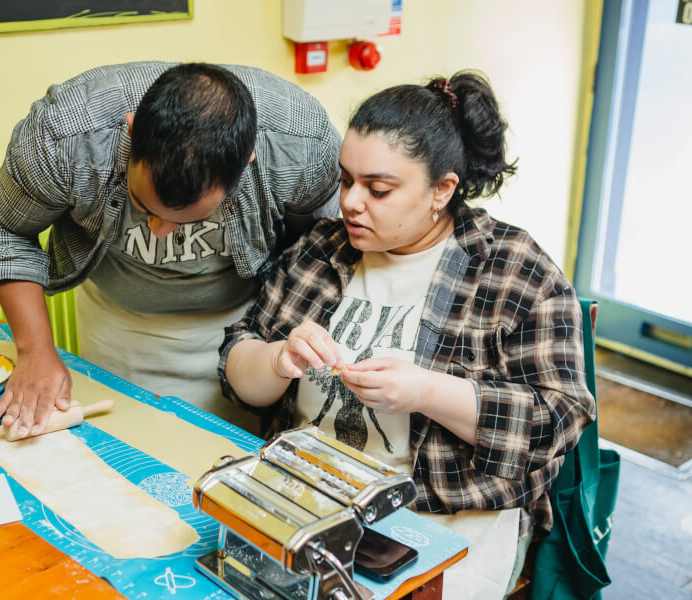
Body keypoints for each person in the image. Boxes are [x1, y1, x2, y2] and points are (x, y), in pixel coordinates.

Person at [219, 72, 596, 599]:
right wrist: (279, 358)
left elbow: (556, 423)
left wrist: (426, 392)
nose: (349, 203)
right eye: (345, 180)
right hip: (307, 495)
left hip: (441, 522)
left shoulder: (514, 271)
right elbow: (238, 366)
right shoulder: (324, 249)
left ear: (442, 189)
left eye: (378, 189)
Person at [0, 62, 341, 439]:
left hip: (240, 340)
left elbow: (321, 247)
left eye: (184, 221)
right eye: (145, 206)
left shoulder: (299, 144)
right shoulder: (67, 134)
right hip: (115, 325)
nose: (160, 231)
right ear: (132, 133)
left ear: (246, 162)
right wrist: (35, 351)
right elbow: (6, 230)